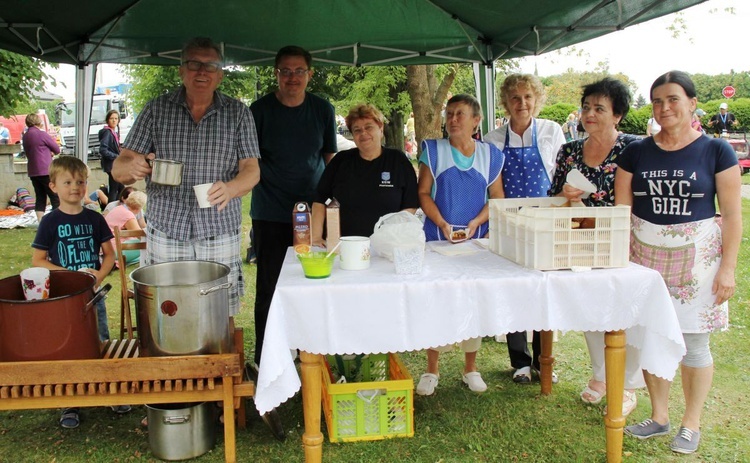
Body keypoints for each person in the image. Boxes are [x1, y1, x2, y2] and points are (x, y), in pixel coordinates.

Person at [617, 71, 741, 455]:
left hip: (698, 264)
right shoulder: (636, 152)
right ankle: (658, 417)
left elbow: (733, 216)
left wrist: (728, 268)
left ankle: (691, 423)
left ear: (691, 103)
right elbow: (623, 213)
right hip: (643, 259)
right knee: (650, 337)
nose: (664, 107)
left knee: (695, 345)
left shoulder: (717, 150)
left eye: (672, 99)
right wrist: (618, 263)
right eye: (657, 101)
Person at [112, 37, 261, 320]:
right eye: (193, 64)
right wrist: (131, 168)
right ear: (181, 70)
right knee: (169, 311)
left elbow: (252, 169)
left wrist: (231, 188)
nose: (201, 71)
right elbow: (120, 165)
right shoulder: (157, 109)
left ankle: (218, 363)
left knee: (218, 312)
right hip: (168, 227)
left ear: (220, 74)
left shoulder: (238, 113)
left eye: (210, 65)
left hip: (218, 227)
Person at [548, 77, 643, 416]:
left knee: (623, 312)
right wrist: (564, 195)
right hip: (579, 241)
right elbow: (552, 197)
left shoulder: (634, 148)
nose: (589, 113)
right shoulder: (569, 150)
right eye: (587, 107)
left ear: (617, 115)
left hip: (621, 241)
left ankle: (628, 385)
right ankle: (601, 376)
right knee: (591, 308)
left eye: (599, 108)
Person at [249, 45, 337, 367]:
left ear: (309, 75)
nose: (292, 77)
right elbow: (248, 163)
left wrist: (331, 207)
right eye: (285, 71)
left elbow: (330, 161)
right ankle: (267, 360)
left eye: (299, 71)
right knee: (270, 289)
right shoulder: (257, 112)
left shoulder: (322, 110)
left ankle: (310, 355)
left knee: (312, 284)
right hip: (270, 213)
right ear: (276, 74)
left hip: (311, 216)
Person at [415, 94, 505, 396]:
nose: (453, 120)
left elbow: (497, 200)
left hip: (476, 242)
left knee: (473, 302)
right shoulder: (434, 150)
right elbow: (424, 193)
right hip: (437, 239)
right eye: (450, 114)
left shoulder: (490, 155)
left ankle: (470, 368)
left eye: (460, 114)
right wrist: (441, 223)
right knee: (435, 301)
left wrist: (475, 223)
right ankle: (432, 369)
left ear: (476, 121)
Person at [30, 156, 129, 428]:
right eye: (68, 182)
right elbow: (38, 261)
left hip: (92, 296)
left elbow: (109, 255)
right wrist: (70, 276)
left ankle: (109, 393)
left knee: (101, 341)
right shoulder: (49, 222)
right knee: (66, 348)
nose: (75, 187)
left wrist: (98, 275)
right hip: (61, 301)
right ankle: (69, 402)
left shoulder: (95, 218)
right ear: (53, 186)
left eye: (81, 182)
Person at [485, 73, 566, 385]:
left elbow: (559, 176)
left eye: (527, 97)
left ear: (537, 100)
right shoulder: (493, 139)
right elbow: (496, 187)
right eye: (515, 98)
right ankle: (519, 362)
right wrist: (506, 221)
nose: (522, 103)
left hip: (546, 221)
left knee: (543, 290)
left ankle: (544, 360)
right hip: (511, 221)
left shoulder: (551, 131)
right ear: (505, 102)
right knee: (514, 289)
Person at [311, 103, 419, 243]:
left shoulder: (398, 161)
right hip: (344, 245)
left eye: (369, 127)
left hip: (386, 246)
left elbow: (410, 205)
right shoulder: (340, 161)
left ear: (381, 129)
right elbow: (319, 201)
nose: (363, 133)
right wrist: (316, 238)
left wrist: (392, 236)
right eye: (357, 130)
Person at [22, 113, 60, 222]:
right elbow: (56, 149)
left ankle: (40, 222)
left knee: (40, 197)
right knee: (54, 196)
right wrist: (49, 152)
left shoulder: (25, 136)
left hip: (33, 171)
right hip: (45, 170)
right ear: (38, 122)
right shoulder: (41, 134)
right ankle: (57, 220)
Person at [105, 190, 147, 266]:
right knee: (146, 242)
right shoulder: (128, 215)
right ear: (139, 207)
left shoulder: (118, 209)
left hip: (106, 247)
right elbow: (140, 235)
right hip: (114, 250)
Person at [99, 109, 125, 202]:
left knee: (120, 188)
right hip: (111, 165)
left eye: (116, 118)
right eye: (111, 118)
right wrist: (117, 156)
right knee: (115, 189)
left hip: (113, 164)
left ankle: (116, 208)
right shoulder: (107, 132)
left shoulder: (114, 133)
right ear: (107, 120)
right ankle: (112, 210)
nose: (114, 120)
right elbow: (103, 150)